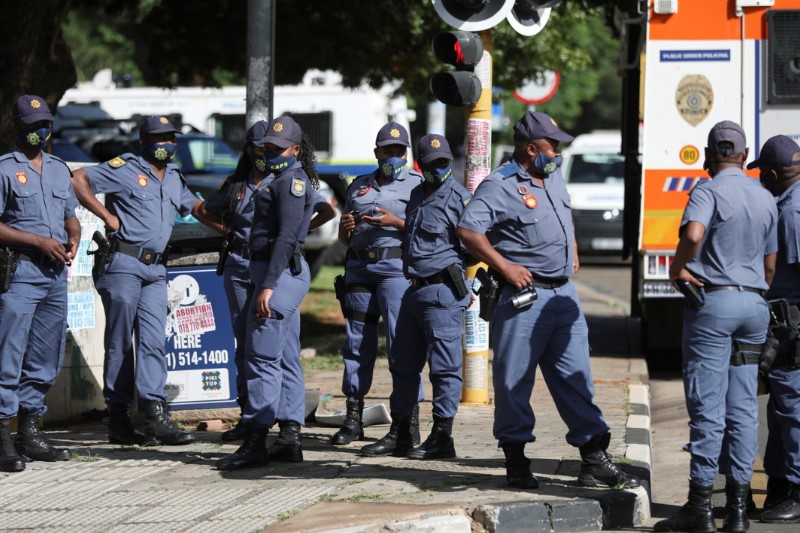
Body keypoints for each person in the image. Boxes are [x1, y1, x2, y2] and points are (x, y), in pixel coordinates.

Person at [457, 110, 640, 491]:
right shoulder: (500, 185)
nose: (556, 152)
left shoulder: (552, 177)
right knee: (514, 380)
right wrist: (504, 266)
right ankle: (516, 459)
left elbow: (562, 218)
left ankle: (593, 458)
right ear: (529, 148)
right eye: (551, 146)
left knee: (577, 378)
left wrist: (570, 245)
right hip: (524, 298)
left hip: (563, 294)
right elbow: (469, 230)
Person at [654, 121, 777, 533]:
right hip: (754, 305)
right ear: (744, 156)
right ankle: (739, 512)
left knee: (708, 407)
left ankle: (700, 508)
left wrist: (677, 269)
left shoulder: (706, 190)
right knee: (742, 409)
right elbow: (771, 264)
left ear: (709, 156)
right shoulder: (764, 196)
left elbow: (692, 234)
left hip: (715, 306)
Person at [196, 120, 334, 460]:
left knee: (264, 356)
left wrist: (268, 284)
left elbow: (288, 236)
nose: (267, 154)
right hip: (258, 268)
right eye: (264, 148)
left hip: (277, 273)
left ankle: (266, 436)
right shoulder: (246, 182)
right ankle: (277, 438)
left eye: (274, 148)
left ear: (295, 149)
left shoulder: (290, 181)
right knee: (261, 351)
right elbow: (203, 209)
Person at [72, 116, 202, 447]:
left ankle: (155, 416)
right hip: (123, 263)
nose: (166, 144)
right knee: (119, 341)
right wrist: (107, 216)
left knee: (154, 341)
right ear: (143, 141)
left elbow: (197, 208)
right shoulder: (124, 167)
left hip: (155, 269)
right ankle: (118, 416)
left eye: (171, 138)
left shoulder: (174, 176)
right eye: (159, 138)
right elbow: (78, 178)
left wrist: (232, 225)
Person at [359, 134, 471, 459]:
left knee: (444, 368)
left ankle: (442, 437)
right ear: (420, 165)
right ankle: (402, 434)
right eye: (433, 163)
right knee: (403, 364)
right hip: (413, 289)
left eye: (444, 163)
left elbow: (474, 247)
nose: (439, 168)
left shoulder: (460, 199)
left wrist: (463, 284)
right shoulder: (416, 194)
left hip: (442, 293)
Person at [0, 95, 80, 473]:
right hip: (19, 273)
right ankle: (2, 433)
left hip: (54, 276)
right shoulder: (3, 169)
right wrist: (36, 241)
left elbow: (71, 216)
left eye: (45, 123)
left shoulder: (59, 169)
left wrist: (73, 237)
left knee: (45, 358)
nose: (40, 131)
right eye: (33, 125)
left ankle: (29, 431)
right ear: (18, 126)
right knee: (9, 356)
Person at [330, 122, 423, 448]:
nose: (394, 156)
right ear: (377, 153)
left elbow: (428, 231)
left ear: (406, 153)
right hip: (359, 268)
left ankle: (406, 424)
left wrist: (395, 222)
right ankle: (353, 419)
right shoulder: (359, 187)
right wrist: (347, 227)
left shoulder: (418, 185)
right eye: (388, 151)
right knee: (355, 346)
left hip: (396, 270)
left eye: (399, 151)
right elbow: (344, 239)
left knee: (401, 345)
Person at [748, 135, 800, 524]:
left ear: (769, 174)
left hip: (793, 323)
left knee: (793, 408)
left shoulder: (791, 212)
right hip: (785, 321)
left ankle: (796, 491)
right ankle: (781, 484)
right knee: (782, 410)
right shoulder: (789, 203)